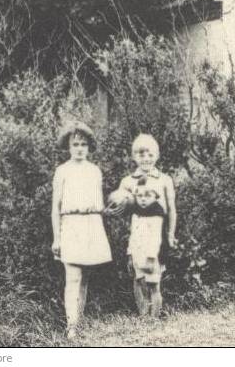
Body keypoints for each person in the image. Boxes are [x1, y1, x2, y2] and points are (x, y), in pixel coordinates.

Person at [51, 121, 113, 339]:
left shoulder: (94, 171)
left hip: (91, 224)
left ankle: (79, 321)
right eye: (75, 144)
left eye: (83, 144)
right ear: (68, 146)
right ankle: (71, 326)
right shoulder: (62, 171)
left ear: (89, 147)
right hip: (71, 224)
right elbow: (55, 208)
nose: (79, 148)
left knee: (84, 277)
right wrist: (57, 238)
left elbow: (99, 202)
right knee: (73, 277)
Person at [108, 134, 177, 318]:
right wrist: (115, 205)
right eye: (141, 154)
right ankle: (143, 315)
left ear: (157, 155)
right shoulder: (128, 181)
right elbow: (119, 206)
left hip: (156, 237)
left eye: (150, 154)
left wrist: (170, 234)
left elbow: (171, 210)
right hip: (136, 236)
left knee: (154, 280)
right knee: (138, 279)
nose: (146, 159)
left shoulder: (164, 180)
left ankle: (154, 317)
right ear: (134, 156)